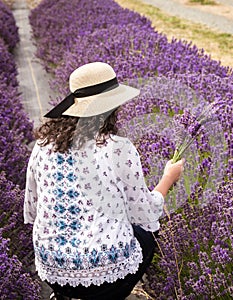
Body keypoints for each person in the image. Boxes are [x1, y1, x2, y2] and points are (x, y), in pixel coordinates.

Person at [24, 62, 184, 300]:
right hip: (105, 278)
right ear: (112, 106)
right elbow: (144, 213)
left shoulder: (43, 145)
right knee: (146, 235)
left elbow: (32, 208)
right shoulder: (119, 148)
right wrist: (168, 179)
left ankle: (63, 294)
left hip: (51, 269)